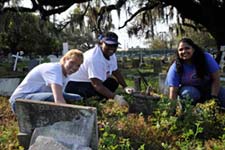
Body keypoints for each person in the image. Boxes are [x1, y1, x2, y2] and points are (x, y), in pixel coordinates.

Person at [64, 31, 135, 106]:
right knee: (92, 93)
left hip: (89, 82)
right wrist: (116, 97)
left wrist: (125, 86)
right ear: (101, 43)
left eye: (114, 45)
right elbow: (96, 84)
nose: (112, 48)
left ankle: (101, 100)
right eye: (108, 45)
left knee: (113, 82)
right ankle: (94, 104)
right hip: (75, 85)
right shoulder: (95, 58)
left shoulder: (111, 55)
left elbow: (115, 71)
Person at [9, 49, 84, 113]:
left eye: (78, 65)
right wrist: (68, 116)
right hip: (19, 101)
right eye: (72, 62)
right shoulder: (54, 69)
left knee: (77, 98)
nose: (74, 67)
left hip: (36, 98)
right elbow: (58, 99)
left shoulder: (66, 75)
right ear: (65, 59)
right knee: (52, 97)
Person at [165, 37, 225, 107]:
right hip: (190, 90)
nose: (184, 51)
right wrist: (172, 111)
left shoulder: (206, 58)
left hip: (208, 88)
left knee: (222, 94)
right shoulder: (176, 67)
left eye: (187, 48)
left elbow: (216, 79)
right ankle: (188, 113)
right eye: (180, 50)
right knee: (189, 93)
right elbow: (173, 91)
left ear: (193, 49)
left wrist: (213, 99)